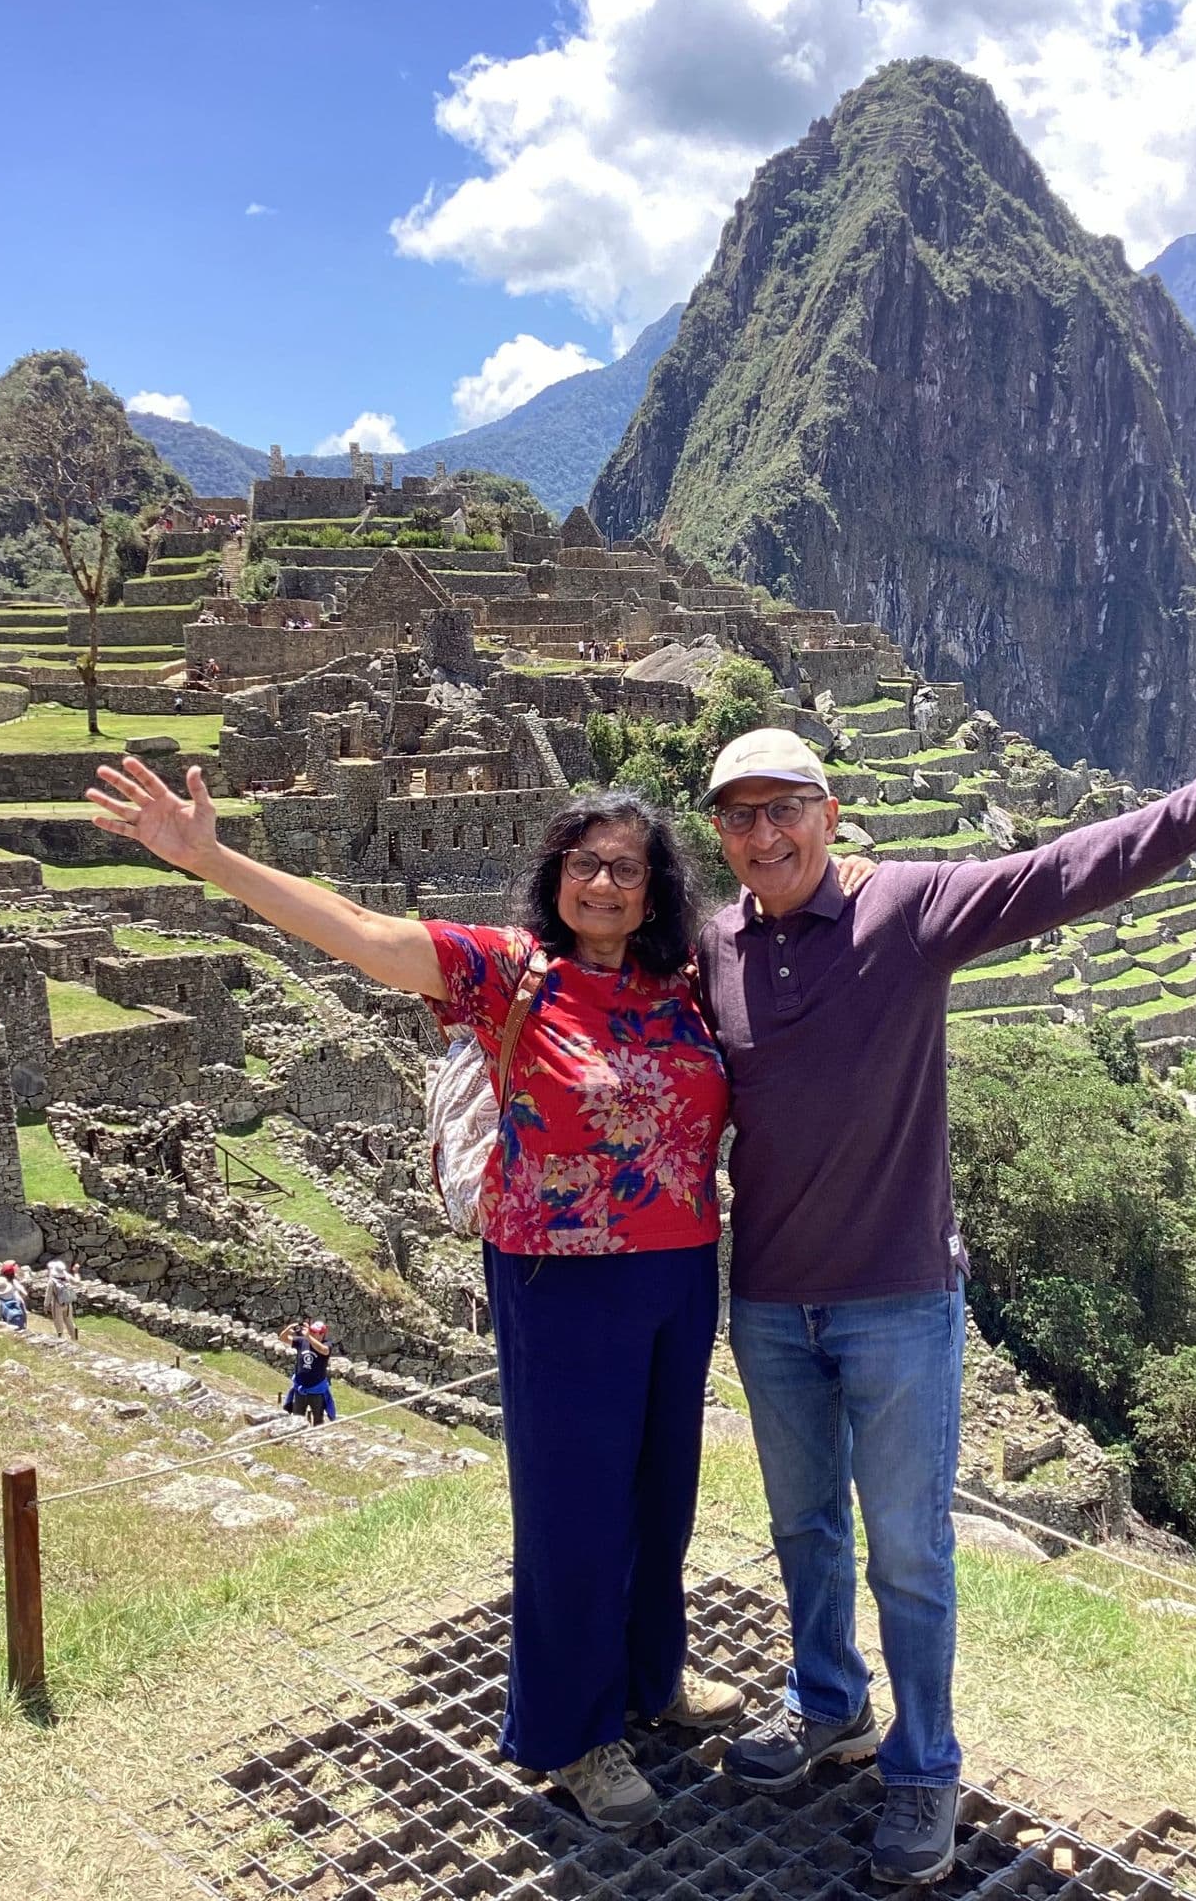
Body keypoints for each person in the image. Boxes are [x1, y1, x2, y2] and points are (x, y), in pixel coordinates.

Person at [79, 755, 862, 1833]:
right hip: (557, 1275)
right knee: (574, 1513)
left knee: (659, 1493)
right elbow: (355, 928)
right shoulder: (507, 970)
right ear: (554, 876)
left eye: (625, 868)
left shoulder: (680, 984)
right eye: (584, 863)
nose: (603, 884)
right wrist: (210, 856)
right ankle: (572, 1732)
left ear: (655, 886)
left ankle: (652, 1677)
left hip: (679, 1271)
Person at [693, 688, 1196, 1887]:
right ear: (720, 834)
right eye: (739, 816)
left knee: (910, 1551)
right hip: (773, 1301)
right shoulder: (713, 947)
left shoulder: (910, 905)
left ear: (828, 814)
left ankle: (925, 1767)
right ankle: (828, 1700)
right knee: (802, 1529)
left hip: (897, 1298)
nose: (764, 834)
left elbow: (1069, 868)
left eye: (784, 809)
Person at [282, 1318, 336, 1423]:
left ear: (322, 1334)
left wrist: (308, 1337)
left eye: (315, 1332)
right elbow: (283, 1339)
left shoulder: (327, 1344)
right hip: (300, 1389)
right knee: (297, 1418)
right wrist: (288, 1329)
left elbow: (324, 1351)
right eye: (311, 1331)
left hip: (317, 1389)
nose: (312, 1333)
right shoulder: (302, 1341)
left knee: (318, 1419)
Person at [46, 1258, 80, 1340]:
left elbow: (48, 1295)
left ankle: (60, 1340)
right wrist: (76, 1272)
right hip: (67, 1304)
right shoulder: (66, 1277)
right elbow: (77, 1282)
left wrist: (45, 1306)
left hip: (57, 1305)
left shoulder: (52, 1281)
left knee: (59, 1323)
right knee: (70, 1322)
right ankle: (75, 1338)